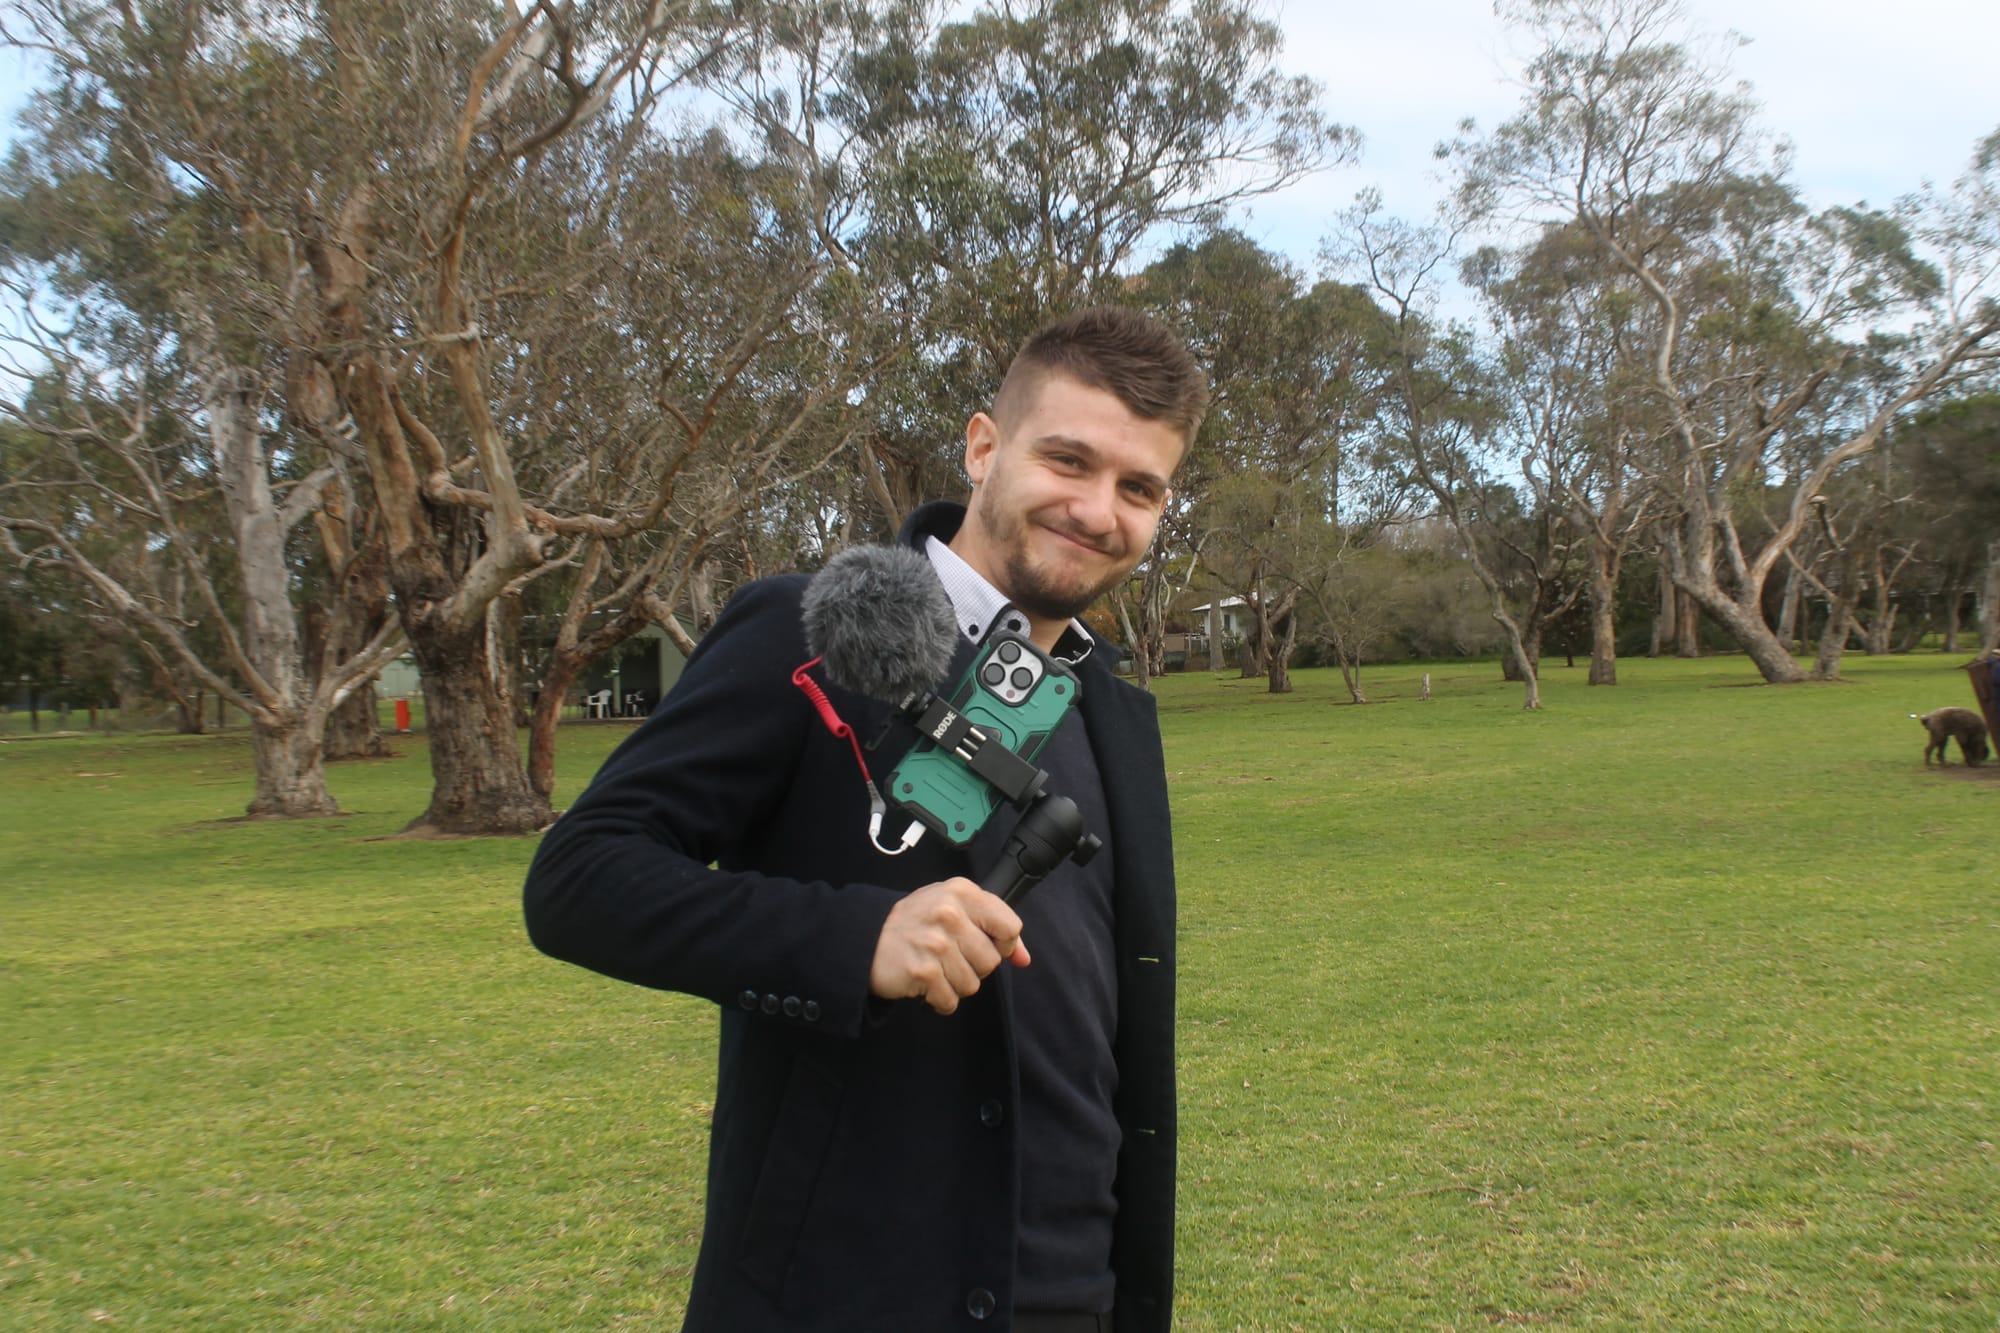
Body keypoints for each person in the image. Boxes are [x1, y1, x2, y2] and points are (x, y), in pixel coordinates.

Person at [522, 306, 1207, 1333]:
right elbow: (578, 879)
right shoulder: (803, 634)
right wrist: (857, 937)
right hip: (843, 1292)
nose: (1096, 508)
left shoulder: (1112, 705)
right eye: (1066, 459)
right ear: (983, 446)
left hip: (1073, 1297)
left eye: (1137, 488)